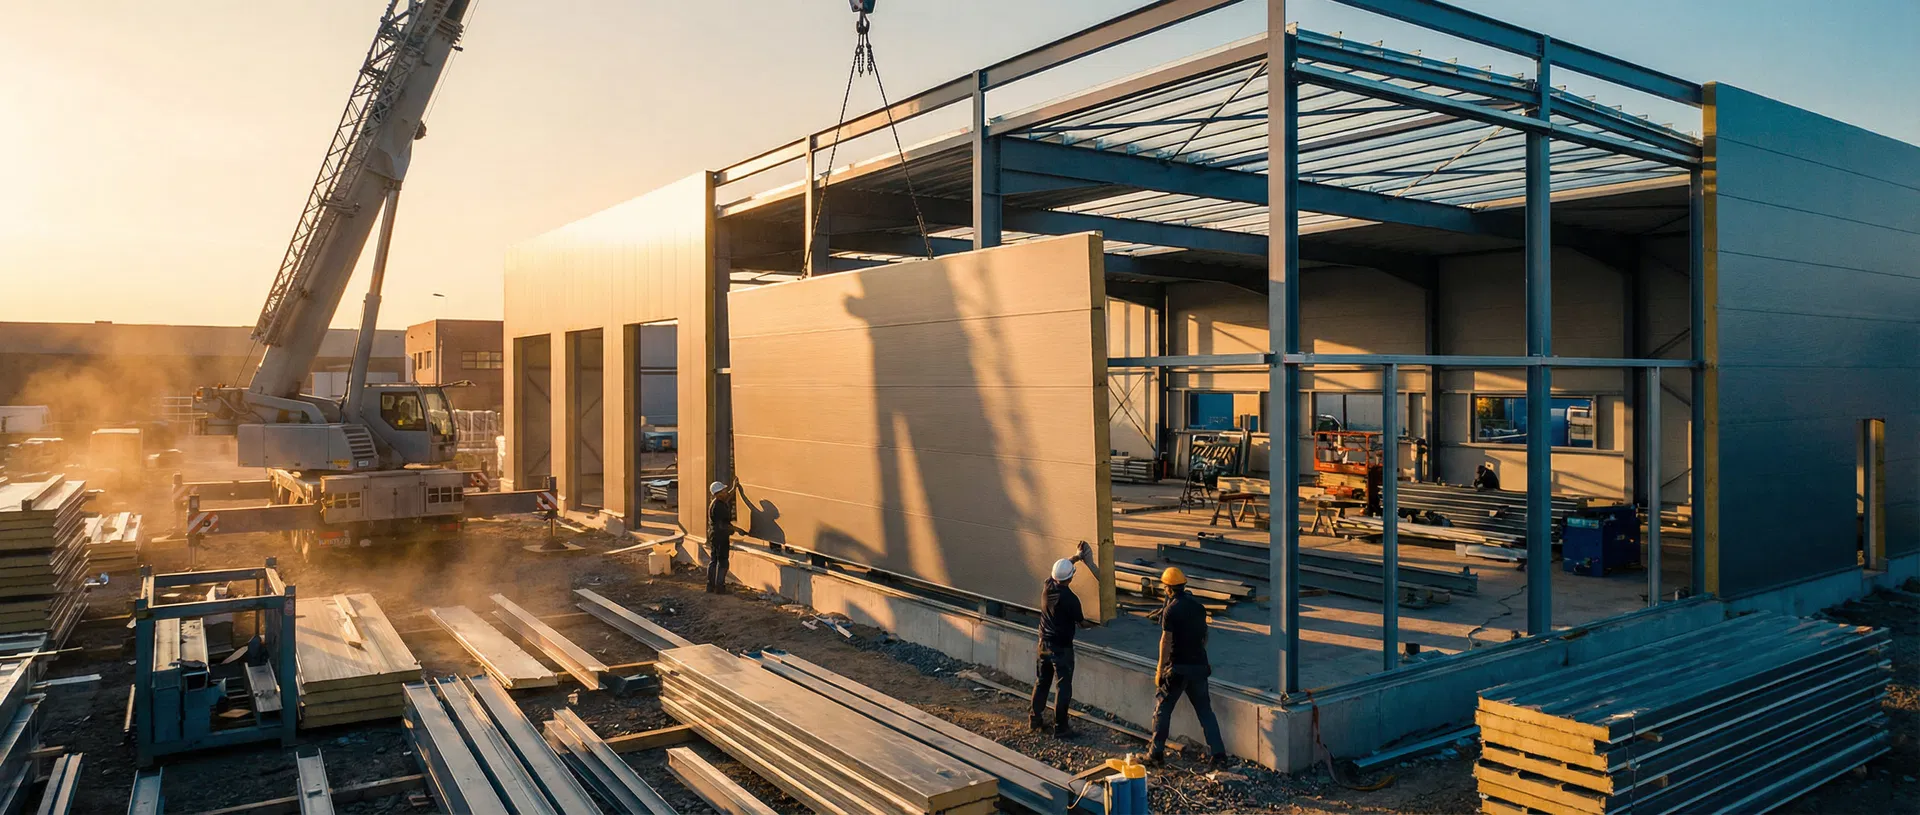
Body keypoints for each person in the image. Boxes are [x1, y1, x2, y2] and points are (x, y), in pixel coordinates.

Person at [1145, 567, 1228, 767]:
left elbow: (1166, 641)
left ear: (1168, 589)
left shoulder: (1170, 610)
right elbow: (1205, 636)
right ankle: (1219, 755)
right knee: (1205, 712)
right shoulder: (1198, 608)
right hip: (1199, 667)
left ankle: (1156, 754)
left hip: (1177, 670)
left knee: (1163, 709)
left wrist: (1159, 669)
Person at [1030, 543, 1096, 737]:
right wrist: (1097, 624)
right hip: (1061, 648)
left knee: (1042, 682)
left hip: (1043, 643)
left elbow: (1061, 569)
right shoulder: (1070, 599)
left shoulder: (1047, 586)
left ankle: (1035, 720)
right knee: (1063, 686)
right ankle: (1061, 728)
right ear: (1071, 578)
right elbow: (1081, 622)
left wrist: (1076, 557)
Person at [706, 480, 746, 594]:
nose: (726, 492)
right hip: (720, 537)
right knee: (723, 561)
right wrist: (738, 530)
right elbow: (722, 525)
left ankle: (710, 586)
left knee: (713, 560)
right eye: (723, 491)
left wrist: (734, 488)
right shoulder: (718, 507)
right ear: (718, 494)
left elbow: (728, 497)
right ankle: (720, 587)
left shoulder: (718, 502)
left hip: (714, 536)